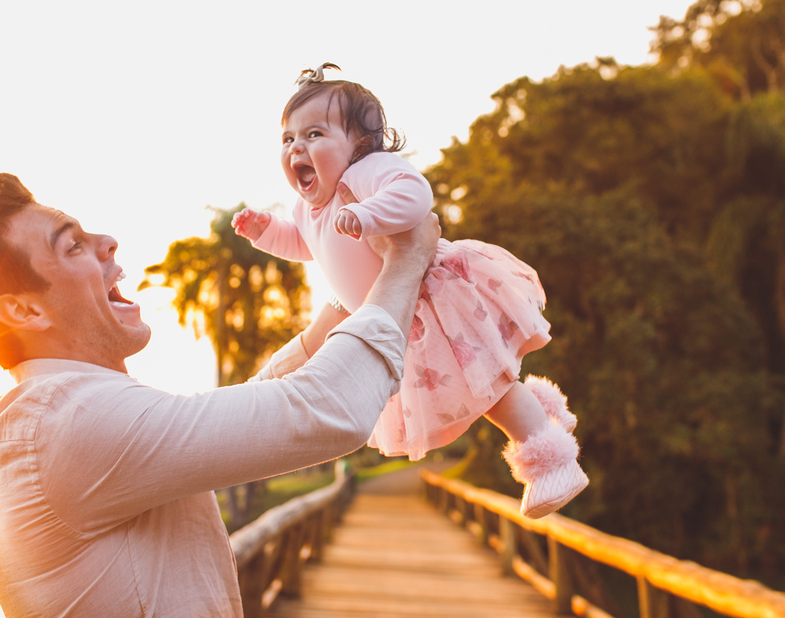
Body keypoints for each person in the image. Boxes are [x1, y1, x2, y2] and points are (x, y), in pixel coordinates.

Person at [0, 172, 439, 618]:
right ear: (25, 311)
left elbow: (241, 418)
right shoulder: (63, 422)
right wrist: (405, 261)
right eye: (72, 245)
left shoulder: (68, 413)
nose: (107, 242)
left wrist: (342, 304)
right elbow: (325, 410)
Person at [233, 63, 588, 519]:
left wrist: (369, 215)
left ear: (360, 145)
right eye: (288, 138)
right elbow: (305, 245)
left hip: (433, 300)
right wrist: (265, 232)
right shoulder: (306, 210)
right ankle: (547, 416)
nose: (296, 147)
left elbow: (415, 193)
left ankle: (555, 464)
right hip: (401, 319)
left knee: (490, 389)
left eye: (314, 134)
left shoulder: (362, 175)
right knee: (478, 391)